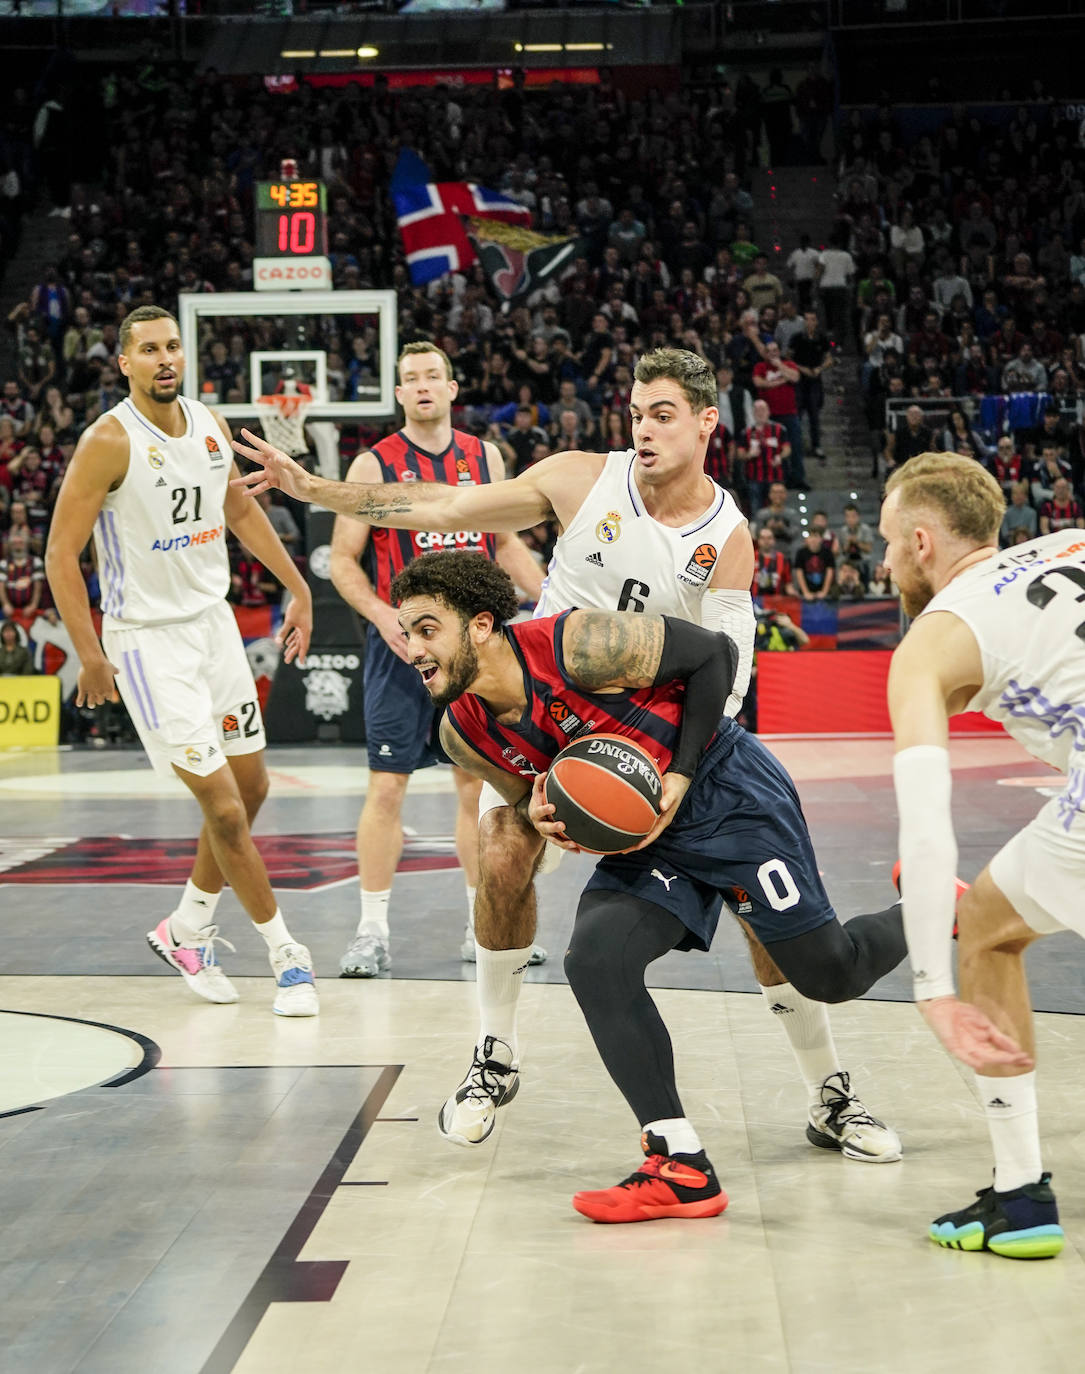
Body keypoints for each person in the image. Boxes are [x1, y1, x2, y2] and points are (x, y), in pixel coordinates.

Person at [233, 347, 904, 1166]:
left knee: (759, 915)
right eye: (635, 412)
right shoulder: (580, 478)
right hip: (546, 709)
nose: (644, 428)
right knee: (502, 848)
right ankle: (494, 1053)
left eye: (663, 413)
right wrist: (313, 489)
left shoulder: (724, 535)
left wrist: (670, 773)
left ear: (704, 421)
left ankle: (826, 1089)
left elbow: (723, 677)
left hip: (651, 737)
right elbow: (443, 504)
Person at [383, 549, 909, 1221]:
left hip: (725, 790)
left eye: (427, 629)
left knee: (829, 974)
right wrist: (539, 815)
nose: (413, 649)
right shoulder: (462, 732)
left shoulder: (574, 644)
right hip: (646, 835)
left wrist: (682, 774)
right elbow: (529, 802)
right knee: (595, 961)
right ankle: (679, 1161)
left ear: (480, 625)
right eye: (406, 633)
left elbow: (712, 656)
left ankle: (922, 907)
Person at [44, 305, 319, 1017]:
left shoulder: (206, 423)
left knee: (251, 790)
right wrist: (89, 650)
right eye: (149, 349)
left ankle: (187, 927)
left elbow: (238, 509)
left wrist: (297, 585)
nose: (165, 358)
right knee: (224, 808)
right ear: (125, 363)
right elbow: (59, 554)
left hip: (213, 626)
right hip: (147, 641)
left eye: (173, 346)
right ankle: (287, 956)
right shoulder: (106, 442)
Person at [881, 451, 1081, 1260]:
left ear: (923, 541)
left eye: (889, 542)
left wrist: (932, 987)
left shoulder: (930, 641)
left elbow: (926, 822)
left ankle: (1020, 1193)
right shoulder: (1071, 541)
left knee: (985, 931)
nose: (884, 559)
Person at [328, 341, 545, 978]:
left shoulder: (487, 457)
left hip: (474, 654)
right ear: (399, 394)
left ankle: (483, 925)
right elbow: (344, 560)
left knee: (474, 787)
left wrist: (554, 600)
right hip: (401, 652)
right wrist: (381, 617)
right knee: (386, 788)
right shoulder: (374, 466)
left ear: (452, 389)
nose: (423, 386)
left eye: (433, 376)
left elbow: (506, 545)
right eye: (410, 379)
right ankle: (370, 931)